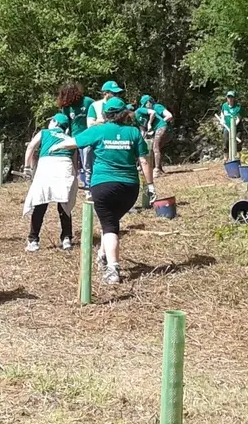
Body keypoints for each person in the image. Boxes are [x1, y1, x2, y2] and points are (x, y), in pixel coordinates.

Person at [50, 97, 155, 285]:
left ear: (105, 114)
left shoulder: (97, 131)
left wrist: (55, 145)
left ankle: (113, 269)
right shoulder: (133, 132)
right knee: (112, 222)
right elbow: (144, 160)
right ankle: (102, 255)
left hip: (102, 185)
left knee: (109, 226)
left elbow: (73, 143)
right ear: (124, 113)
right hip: (129, 188)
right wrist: (150, 186)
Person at [22, 113, 78, 252]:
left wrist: (27, 167)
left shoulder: (44, 132)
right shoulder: (70, 139)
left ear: (54, 122)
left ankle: (33, 240)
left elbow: (31, 148)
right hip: (65, 166)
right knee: (64, 205)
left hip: (47, 165)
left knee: (40, 203)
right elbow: (75, 162)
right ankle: (66, 239)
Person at [58, 83, 94, 189]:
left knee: (87, 163)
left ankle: (89, 185)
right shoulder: (66, 107)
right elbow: (65, 123)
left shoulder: (88, 102)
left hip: (87, 137)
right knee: (72, 162)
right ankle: (73, 182)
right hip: (72, 138)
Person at [139, 94, 174, 176]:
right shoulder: (149, 111)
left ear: (148, 102)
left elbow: (169, 116)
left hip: (165, 129)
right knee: (154, 147)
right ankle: (157, 168)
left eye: (145, 105)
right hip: (160, 130)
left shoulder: (157, 107)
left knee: (155, 147)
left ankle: (157, 170)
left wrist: (159, 124)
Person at [217, 91, 243, 158]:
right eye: (229, 97)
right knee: (226, 141)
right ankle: (226, 157)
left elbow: (238, 118)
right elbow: (222, 113)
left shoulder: (238, 107)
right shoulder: (224, 105)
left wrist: (233, 127)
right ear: (227, 98)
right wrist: (222, 120)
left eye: (232, 97)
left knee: (238, 142)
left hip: (237, 127)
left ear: (234, 98)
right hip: (227, 127)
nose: (230, 99)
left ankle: (237, 157)